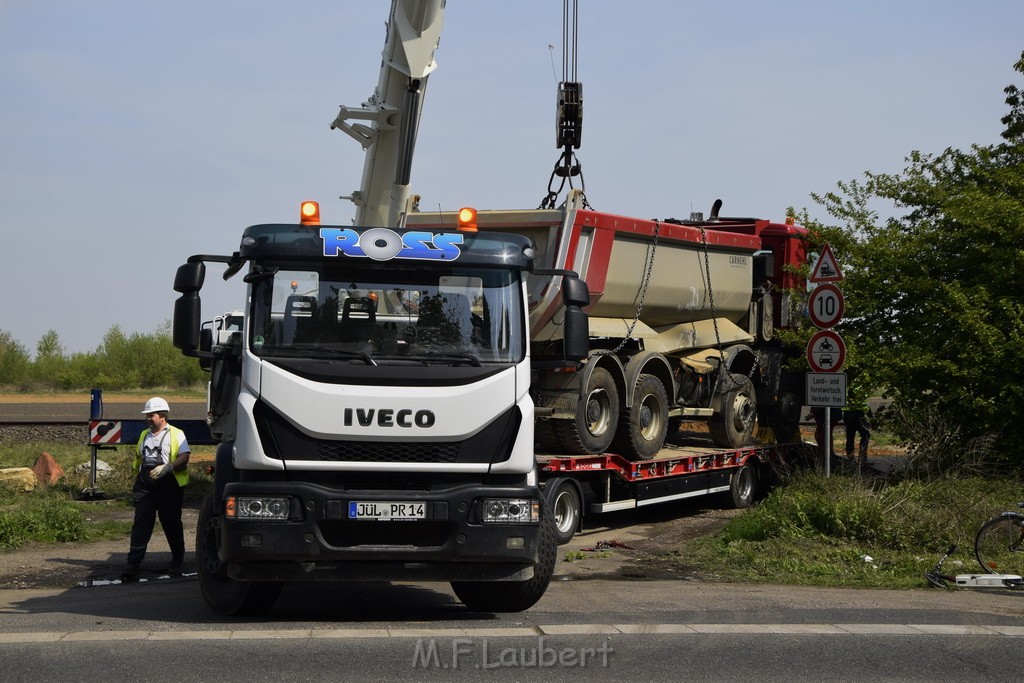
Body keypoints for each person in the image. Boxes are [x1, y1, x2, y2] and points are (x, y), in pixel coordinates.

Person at [122, 397, 191, 581]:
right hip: (145, 486)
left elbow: (184, 456)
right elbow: (139, 458)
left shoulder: (176, 434)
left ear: (162, 416)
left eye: (151, 415)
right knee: (141, 524)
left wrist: (167, 468)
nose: (147, 418)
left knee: (171, 524)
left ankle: (177, 562)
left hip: (169, 487)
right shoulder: (145, 435)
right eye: (147, 415)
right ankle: (133, 564)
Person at [844, 375, 872, 462]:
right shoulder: (859, 387)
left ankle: (850, 457)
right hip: (858, 414)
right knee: (865, 434)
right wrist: (870, 415)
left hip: (847, 414)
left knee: (850, 436)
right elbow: (863, 404)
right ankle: (863, 458)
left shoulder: (847, 386)